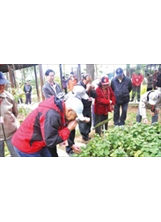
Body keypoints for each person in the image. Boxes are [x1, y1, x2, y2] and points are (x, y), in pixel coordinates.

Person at [12, 96, 87, 157]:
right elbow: (50, 141)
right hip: (27, 145)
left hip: (39, 142)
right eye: (75, 116)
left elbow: (57, 131)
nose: (74, 118)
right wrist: (68, 129)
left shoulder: (59, 109)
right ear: (70, 111)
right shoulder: (52, 114)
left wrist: (71, 145)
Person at [0, 72, 19, 157]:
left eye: (3, 83)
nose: (3, 86)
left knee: (16, 154)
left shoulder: (9, 97)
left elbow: (15, 113)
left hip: (11, 133)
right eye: (0, 84)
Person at [76, 73, 97, 143]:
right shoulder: (79, 86)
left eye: (90, 81)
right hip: (81, 107)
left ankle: (87, 134)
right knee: (83, 122)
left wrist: (93, 90)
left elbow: (95, 96)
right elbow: (79, 95)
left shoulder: (89, 86)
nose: (89, 83)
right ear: (83, 79)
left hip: (88, 106)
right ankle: (84, 136)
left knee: (89, 121)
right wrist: (86, 89)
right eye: (87, 81)